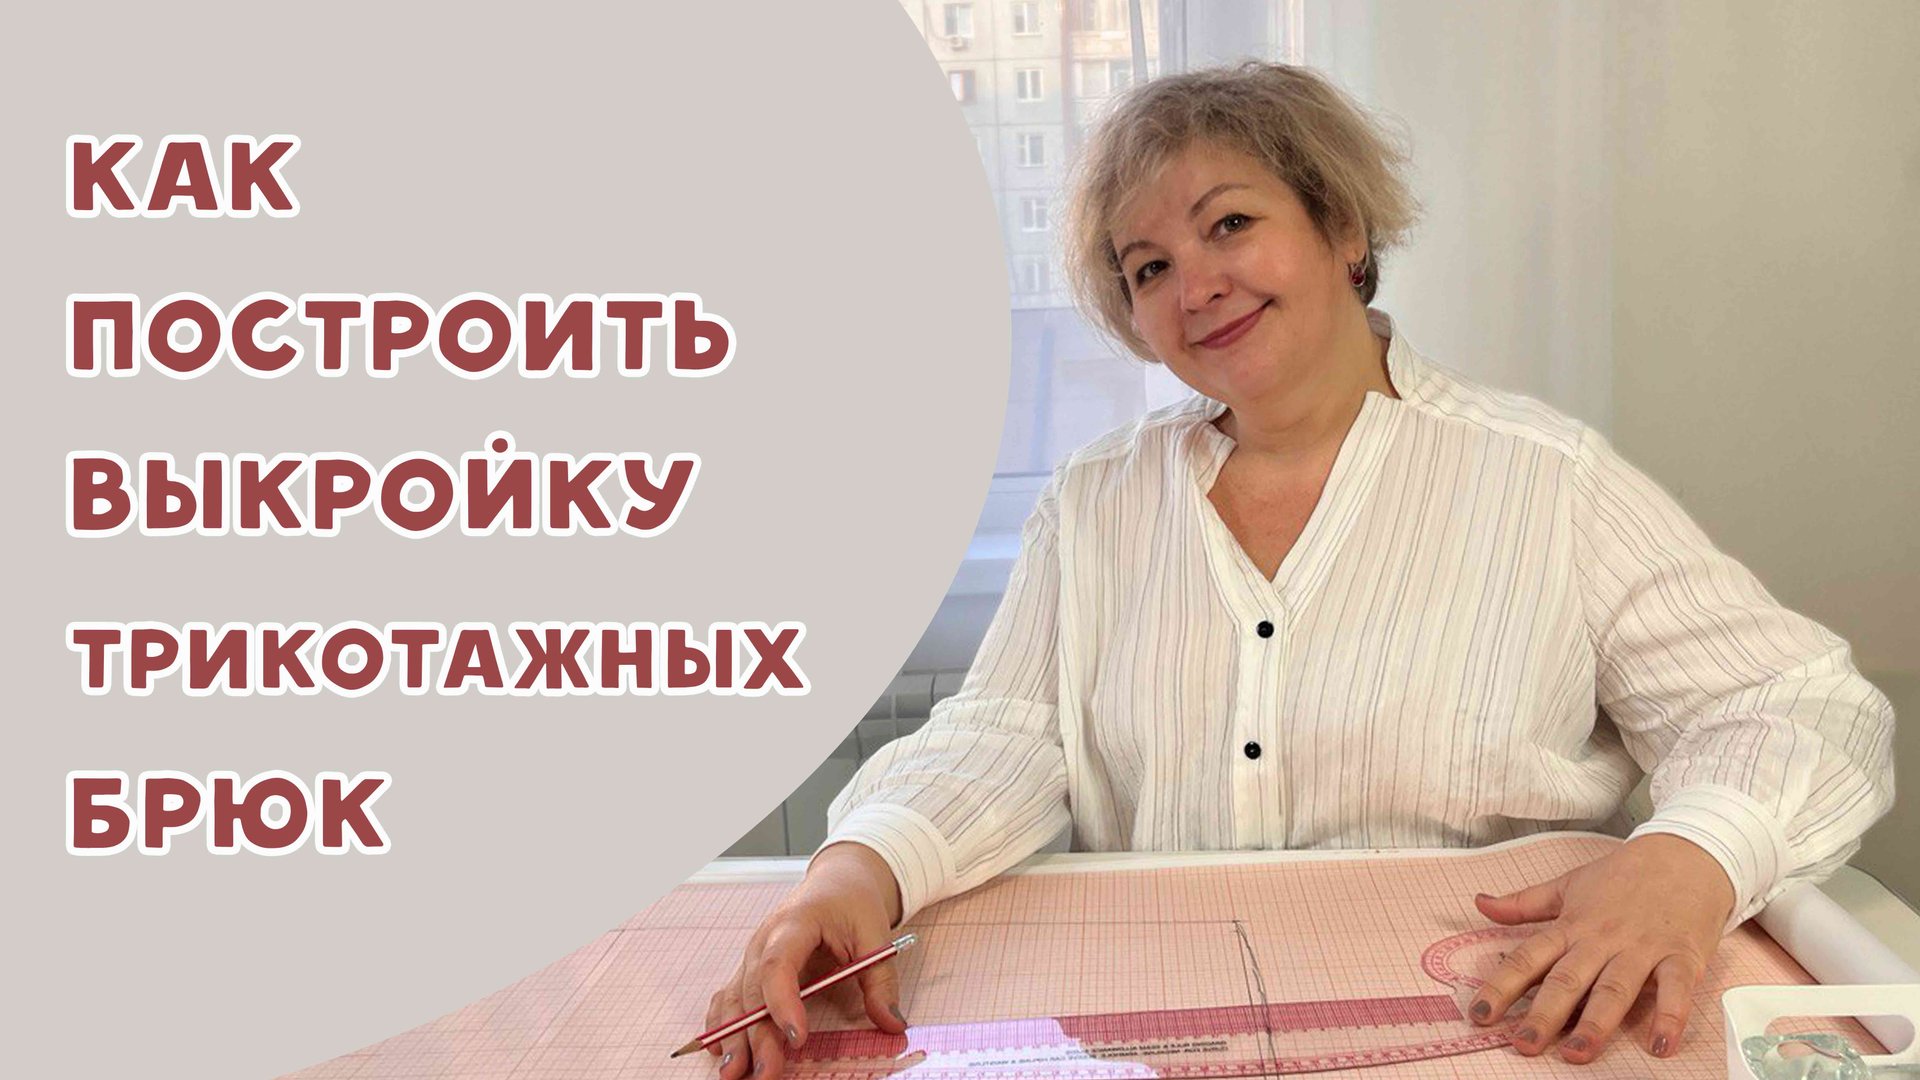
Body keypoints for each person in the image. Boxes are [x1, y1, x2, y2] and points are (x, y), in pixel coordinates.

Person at [702, 62, 1895, 1077]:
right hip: (1166, 1030)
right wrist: (859, 868)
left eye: (1229, 224)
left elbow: (1799, 705)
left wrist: (1689, 856)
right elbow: (1006, 736)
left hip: (1500, 1027)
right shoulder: (1097, 500)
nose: (1195, 287)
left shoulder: (1548, 480)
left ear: (1343, 229)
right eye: (1148, 267)